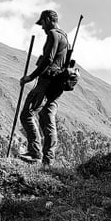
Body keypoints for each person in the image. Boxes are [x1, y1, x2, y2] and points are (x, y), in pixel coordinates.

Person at [19, 9, 70, 167]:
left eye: (43, 23)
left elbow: (48, 59)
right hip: (57, 86)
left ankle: (35, 154)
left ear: (48, 19)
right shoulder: (65, 38)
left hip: (46, 82)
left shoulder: (53, 35)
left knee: (27, 115)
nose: (42, 27)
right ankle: (48, 162)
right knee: (47, 118)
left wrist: (30, 77)